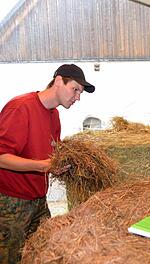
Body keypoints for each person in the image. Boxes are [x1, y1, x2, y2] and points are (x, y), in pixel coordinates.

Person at [0, 64, 95, 263]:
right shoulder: (21, 107)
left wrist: (62, 166)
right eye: (75, 89)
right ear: (59, 81)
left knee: (43, 254)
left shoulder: (54, 115)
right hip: (11, 202)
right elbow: (2, 157)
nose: (78, 97)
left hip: (39, 200)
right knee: (9, 257)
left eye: (80, 93)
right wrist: (43, 166)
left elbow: (49, 157)